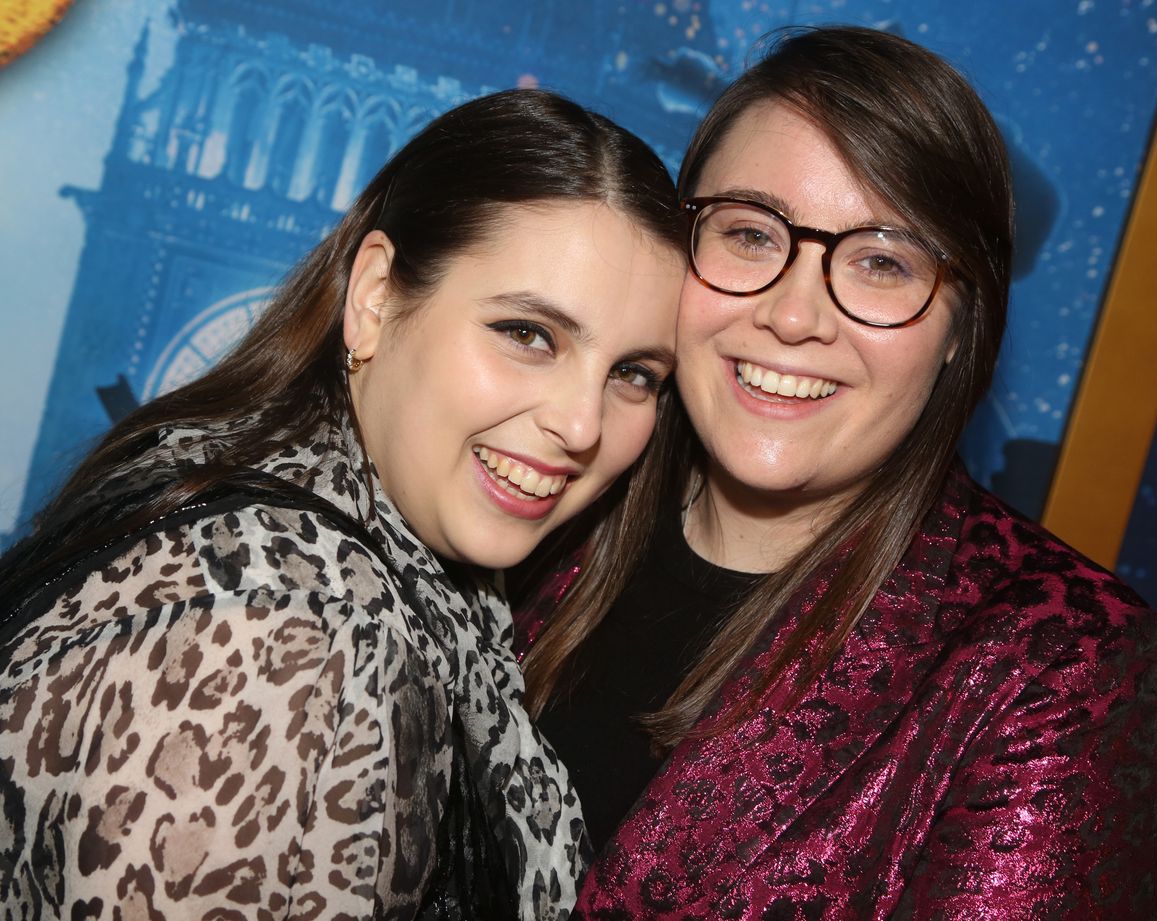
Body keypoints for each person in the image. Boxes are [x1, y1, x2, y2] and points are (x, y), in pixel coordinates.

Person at [516, 27, 1157, 919]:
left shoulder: (1056, 664)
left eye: (881, 262)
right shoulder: (534, 503)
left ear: (961, 327)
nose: (795, 316)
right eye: (750, 234)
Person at [0, 88, 685, 919]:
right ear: (374, 298)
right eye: (527, 333)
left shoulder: (351, 542)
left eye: (635, 374)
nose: (583, 424)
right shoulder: (282, 639)